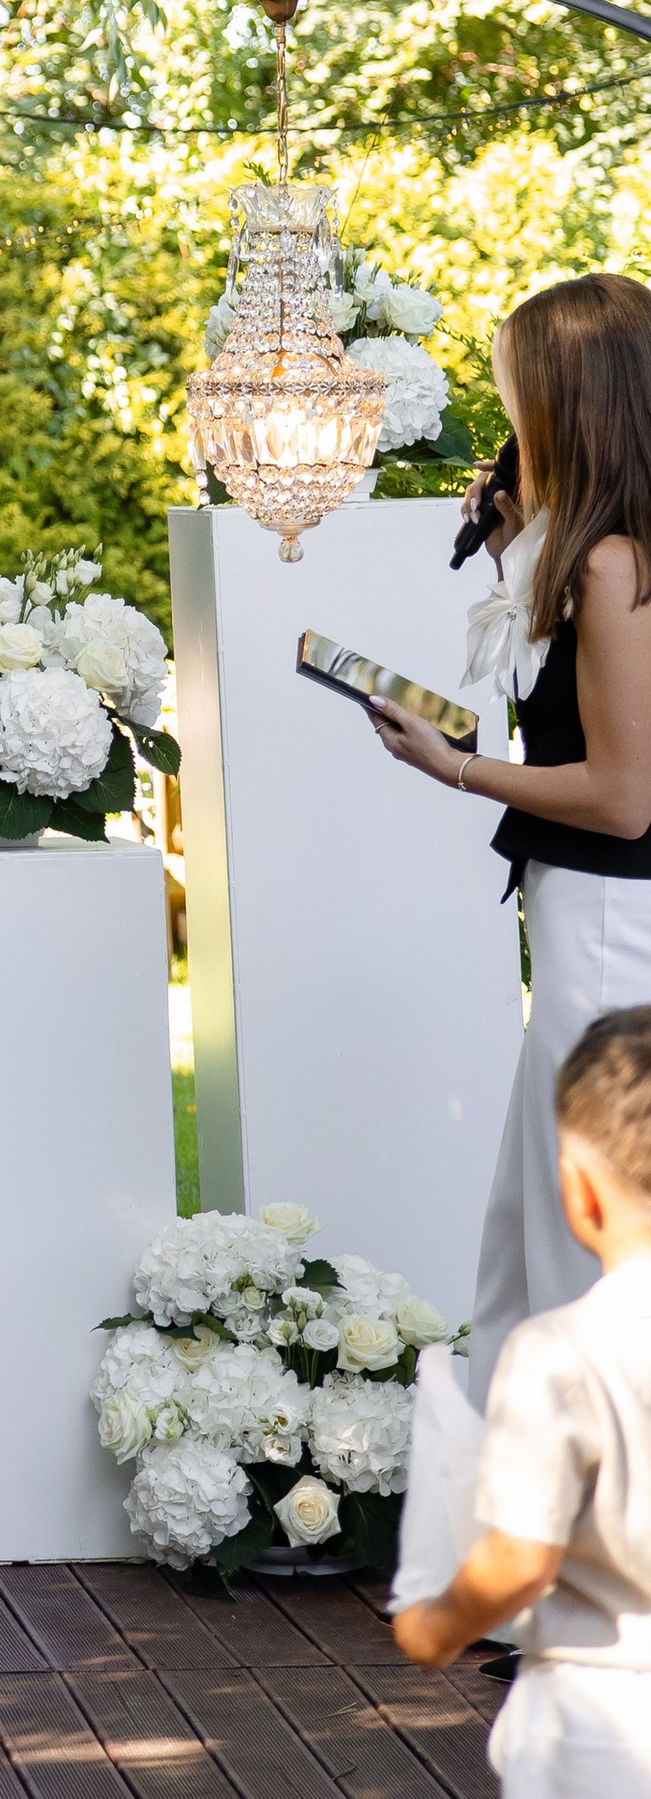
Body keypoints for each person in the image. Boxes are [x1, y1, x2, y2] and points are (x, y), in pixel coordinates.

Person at [367, 274, 651, 1400]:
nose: (506, 415)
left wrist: (459, 769)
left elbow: (627, 797)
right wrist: (512, 541)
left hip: (608, 945)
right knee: (530, 1244)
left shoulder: (611, 564)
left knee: (581, 1259)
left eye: (515, 391)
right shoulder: (594, 550)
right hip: (584, 930)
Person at [395, 1006, 651, 1799]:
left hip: (603, 1721)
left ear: (579, 1193)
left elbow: (517, 1560)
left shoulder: (559, 1355)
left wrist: (435, 1626)